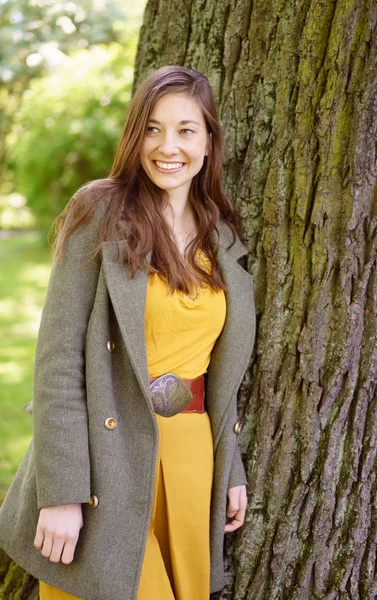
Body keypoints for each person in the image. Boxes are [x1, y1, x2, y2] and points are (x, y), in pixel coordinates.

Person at [0, 65, 256, 600]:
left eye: (186, 130)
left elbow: (221, 374)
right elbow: (57, 362)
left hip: (191, 464)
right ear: (136, 136)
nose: (169, 146)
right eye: (153, 128)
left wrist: (229, 465)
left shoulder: (223, 235)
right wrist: (62, 491)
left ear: (209, 140)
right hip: (106, 462)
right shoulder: (100, 211)